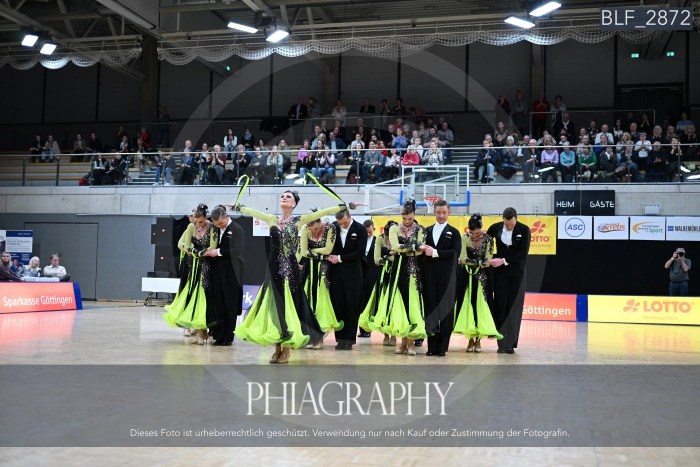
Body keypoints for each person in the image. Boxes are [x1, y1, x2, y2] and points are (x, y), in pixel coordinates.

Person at [235, 191, 347, 363]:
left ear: (294, 203)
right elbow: (253, 212)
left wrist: (341, 207)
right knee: (275, 307)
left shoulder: (299, 220)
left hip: (290, 267)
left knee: (289, 307)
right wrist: (239, 207)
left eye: (288, 197)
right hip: (273, 267)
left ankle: (286, 348)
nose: (284, 198)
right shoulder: (271, 219)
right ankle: (277, 348)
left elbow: (322, 212)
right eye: (283, 196)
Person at [163, 204, 217, 344]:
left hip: (207, 265)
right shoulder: (190, 227)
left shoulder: (212, 227)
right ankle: (199, 332)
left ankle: (203, 331)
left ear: (206, 217)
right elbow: (184, 245)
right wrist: (192, 251)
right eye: (196, 221)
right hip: (192, 265)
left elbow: (213, 246)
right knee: (192, 295)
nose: (198, 224)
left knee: (203, 297)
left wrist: (202, 252)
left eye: (201, 222)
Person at [454, 214, 502, 353]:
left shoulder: (488, 239)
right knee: (468, 307)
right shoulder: (464, 238)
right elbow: (462, 258)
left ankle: (479, 340)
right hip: (466, 276)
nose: (475, 236)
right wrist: (478, 262)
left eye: (478, 233)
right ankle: (470, 339)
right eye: (472, 233)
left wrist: (476, 262)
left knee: (480, 307)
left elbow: (488, 261)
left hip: (482, 278)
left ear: (482, 229)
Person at [384, 200, 427, 356]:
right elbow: (395, 247)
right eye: (404, 218)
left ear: (414, 215)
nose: (407, 221)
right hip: (398, 271)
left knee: (412, 306)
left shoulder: (421, 229)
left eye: (409, 218)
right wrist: (414, 247)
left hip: (414, 270)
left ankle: (411, 343)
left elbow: (421, 250)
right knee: (400, 305)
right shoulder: (394, 228)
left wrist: (408, 249)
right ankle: (402, 342)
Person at [486, 208, 530, 354]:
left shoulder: (524, 230)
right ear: (503, 220)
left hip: (517, 274)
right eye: (506, 224)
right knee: (500, 306)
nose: (509, 227)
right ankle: (501, 342)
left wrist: (503, 260)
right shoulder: (495, 228)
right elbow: (486, 243)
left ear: (516, 219)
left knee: (514, 308)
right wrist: (489, 257)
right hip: (500, 274)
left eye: (511, 224)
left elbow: (522, 254)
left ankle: (510, 343)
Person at [421, 200, 461, 357]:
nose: (441, 215)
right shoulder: (427, 231)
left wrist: (435, 252)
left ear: (449, 212)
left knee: (446, 311)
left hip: (447, 278)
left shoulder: (454, 232)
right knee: (431, 310)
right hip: (429, 277)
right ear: (434, 213)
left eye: (444, 212)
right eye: (438, 212)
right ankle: (431, 346)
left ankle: (442, 347)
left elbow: (456, 252)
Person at [201, 206, 244, 347]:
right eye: (217, 224)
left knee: (230, 305)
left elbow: (238, 250)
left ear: (226, 216)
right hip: (216, 271)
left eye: (221, 223)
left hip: (232, 272)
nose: (219, 226)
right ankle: (218, 335)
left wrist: (218, 252)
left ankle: (228, 337)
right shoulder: (214, 229)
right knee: (218, 303)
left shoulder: (237, 229)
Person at [326, 209, 367, 350]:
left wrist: (339, 258)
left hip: (354, 273)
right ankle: (340, 339)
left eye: (345, 222)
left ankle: (349, 340)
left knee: (351, 306)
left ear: (350, 216)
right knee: (338, 306)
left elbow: (360, 252)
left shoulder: (360, 229)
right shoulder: (333, 227)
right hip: (336, 273)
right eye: (340, 223)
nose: (342, 225)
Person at [299, 216, 342, 348]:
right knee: (308, 301)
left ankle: (320, 338)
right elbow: (303, 252)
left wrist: (311, 251)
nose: (315, 232)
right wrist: (321, 255)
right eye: (312, 230)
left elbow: (328, 250)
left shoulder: (331, 228)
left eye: (317, 228)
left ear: (319, 222)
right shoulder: (305, 229)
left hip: (324, 270)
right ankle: (310, 337)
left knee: (322, 302)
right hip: (308, 269)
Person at [359, 220, 398, 347]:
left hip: (396, 274)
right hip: (382, 276)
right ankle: (385, 334)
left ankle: (394, 335)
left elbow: (400, 257)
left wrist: (386, 256)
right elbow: (377, 259)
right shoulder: (380, 239)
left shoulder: (400, 239)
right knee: (382, 304)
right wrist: (390, 255)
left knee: (394, 304)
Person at [358, 219, 378, 338]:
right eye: (366, 232)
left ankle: (368, 328)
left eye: (370, 232)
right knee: (360, 301)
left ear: (374, 229)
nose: (368, 234)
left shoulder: (377, 241)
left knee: (369, 302)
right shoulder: (359, 241)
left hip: (372, 275)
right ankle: (362, 329)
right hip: (360, 275)